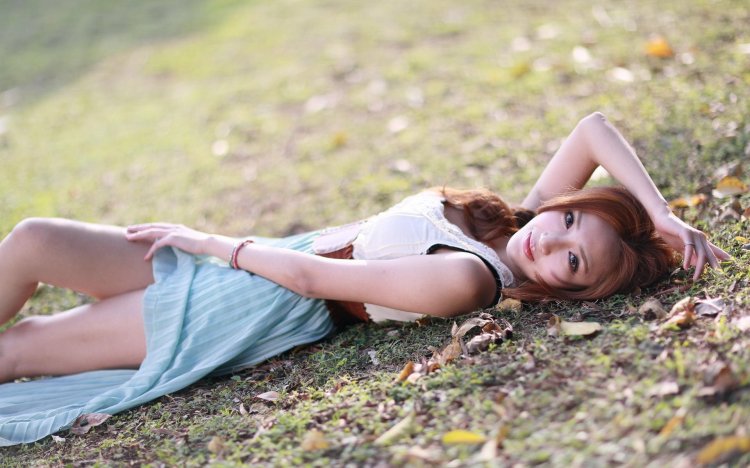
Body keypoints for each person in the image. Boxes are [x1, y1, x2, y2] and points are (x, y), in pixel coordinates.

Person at [0, 112, 729, 445]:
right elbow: (594, 128)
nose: (553, 238)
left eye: (572, 261)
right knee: (32, 240)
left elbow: (311, 280)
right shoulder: (515, 223)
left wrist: (207, 239)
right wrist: (660, 215)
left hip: (243, 300)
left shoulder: (471, 277)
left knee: (19, 349)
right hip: (246, 256)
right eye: (570, 218)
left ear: (568, 291)